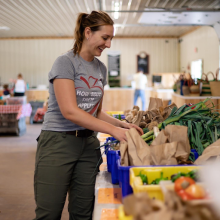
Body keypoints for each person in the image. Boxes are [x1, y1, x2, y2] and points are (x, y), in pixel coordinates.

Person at [33, 11, 143, 220]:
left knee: (83, 213)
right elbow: (70, 111)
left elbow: (95, 111)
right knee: (49, 213)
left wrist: (123, 124)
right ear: (88, 32)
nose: (108, 44)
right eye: (105, 38)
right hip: (58, 143)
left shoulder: (100, 68)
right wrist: (114, 130)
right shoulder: (65, 62)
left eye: (111, 38)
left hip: (88, 146)